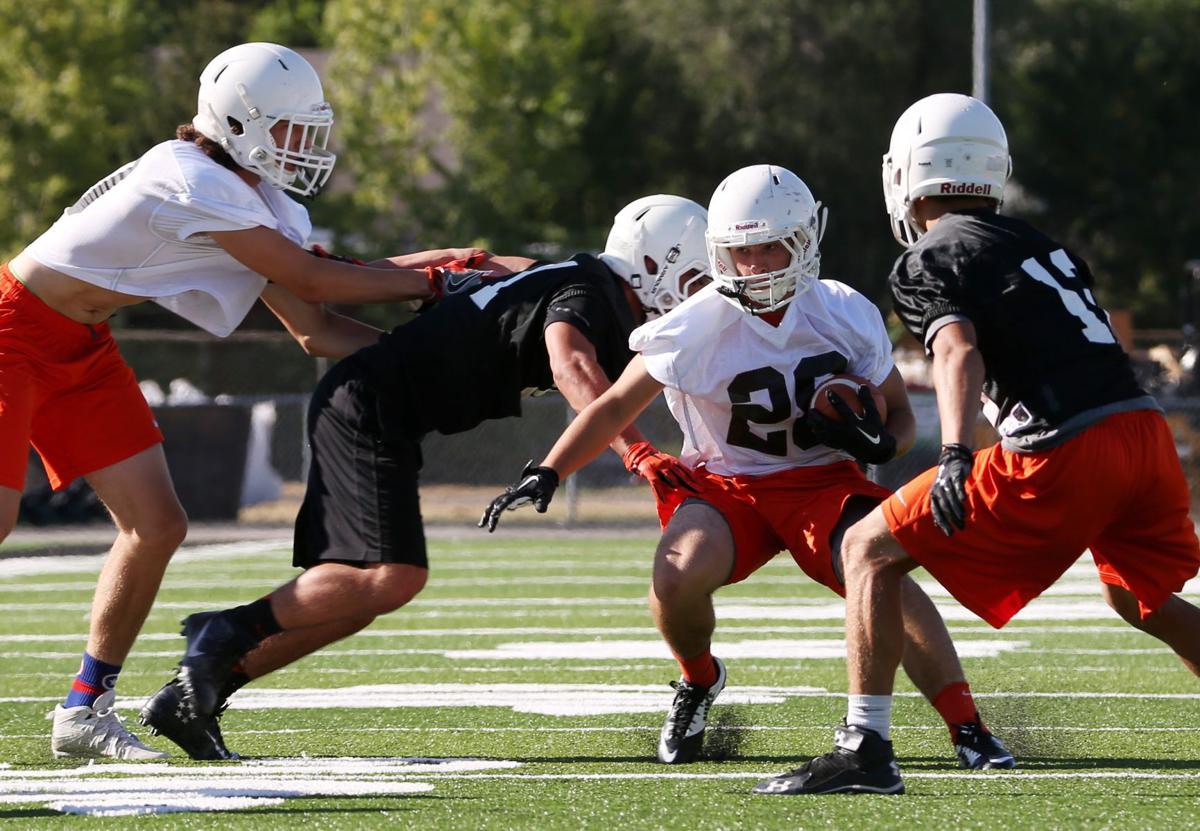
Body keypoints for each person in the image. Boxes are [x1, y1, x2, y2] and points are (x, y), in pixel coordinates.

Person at [0, 41, 474, 761]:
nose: (303, 145)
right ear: (238, 120)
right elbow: (313, 283)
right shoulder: (186, 174)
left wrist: (438, 359)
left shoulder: (255, 199)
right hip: (13, 329)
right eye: (289, 127)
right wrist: (434, 281)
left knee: (156, 526)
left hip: (83, 344)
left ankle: (84, 708)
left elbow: (315, 329)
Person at [139, 194, 715, 760]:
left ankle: (196, 692)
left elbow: (473, 265)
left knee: (354, 598)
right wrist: (638, 451)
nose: (699, 292)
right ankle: (223, 632)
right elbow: (571, 364)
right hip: (370, 407)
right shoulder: (589, 291)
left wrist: (420, 275)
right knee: (394, 578)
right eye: (693, 277)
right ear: (652, 263)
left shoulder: (560, 278)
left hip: (381, 409)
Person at [482, 164, 1015, 769]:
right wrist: (550, 470)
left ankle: (967, 725)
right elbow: (613, 407)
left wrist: (877, 445)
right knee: (675, 575)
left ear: (803, 240)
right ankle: (698, 680)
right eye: (742, 251)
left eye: (769, 247)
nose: (755, 265)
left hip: (823, 483)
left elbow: (899, 420)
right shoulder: (694, 322)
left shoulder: (842, 309)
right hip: (727, 485)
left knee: (884, 578)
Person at [753, 93, 1200, 797]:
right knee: (1139, 598)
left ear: (905, 174)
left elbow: (958, 350)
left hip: (1066, 444)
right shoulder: (1044, 244)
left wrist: (956, 454)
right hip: (1141, 433)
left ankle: (865, 747)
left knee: (866, 548)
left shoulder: (930, 255)